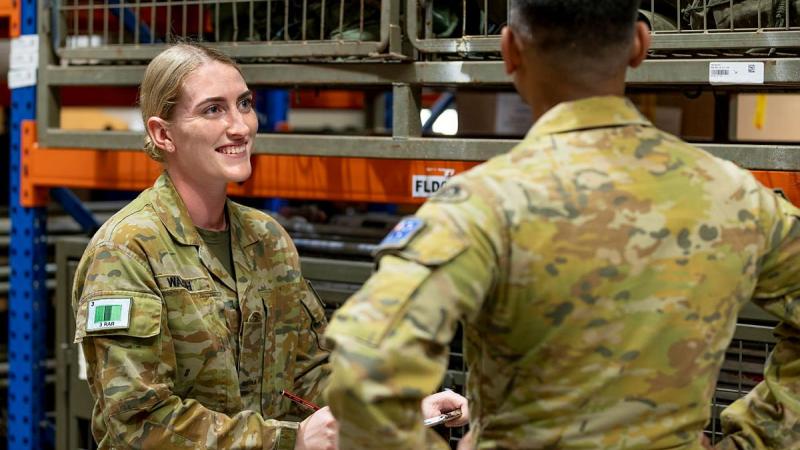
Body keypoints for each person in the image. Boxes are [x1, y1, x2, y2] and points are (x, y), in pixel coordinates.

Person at [322, 1, 800, 449]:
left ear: (510, 50)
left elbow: (367, 366)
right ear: (639, 44)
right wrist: (760, 436)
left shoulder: (483, 205)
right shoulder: (735, 197)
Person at [71, 43, 466, 450]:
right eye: (213, 109)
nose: (240, 126)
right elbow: (138, 423)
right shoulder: (126, 250)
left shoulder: (266, 238)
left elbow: (307, 373)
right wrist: (286, 439)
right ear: (162, 133)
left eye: (244, 104)